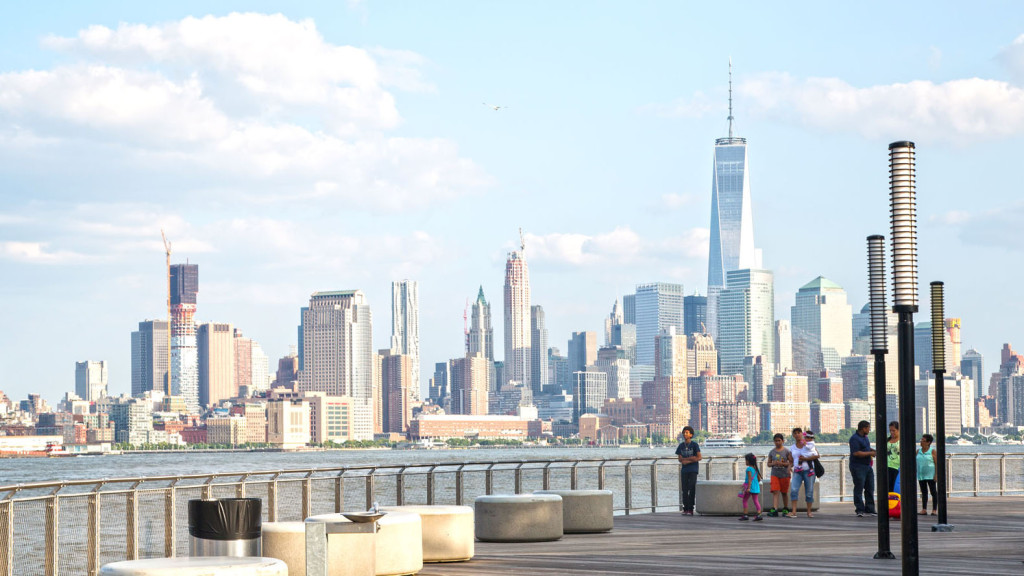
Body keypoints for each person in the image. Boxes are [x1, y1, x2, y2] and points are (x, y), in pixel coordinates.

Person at [849, 420, 878, 517]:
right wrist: (871, 453)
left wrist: (874, 451)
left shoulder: (865, 438)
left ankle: (870, 508)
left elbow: (866, 448)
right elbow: (856, 453)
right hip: (858, 466)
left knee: (870, 487)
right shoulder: (854, 439)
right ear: (863, 428)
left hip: (867, 465)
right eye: (868, 428)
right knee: (859, 487)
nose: (869, 430)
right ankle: (859, 509)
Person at [788, 428, 819, 518]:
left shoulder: (809, 444)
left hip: (808, 470)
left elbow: (817, 455)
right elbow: (791, 459)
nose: (797, 435)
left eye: (799, 433)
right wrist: (790, 466)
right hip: (797, 471)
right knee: (794, 490)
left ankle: (809, 511)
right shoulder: (793, 447)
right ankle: (794, 511)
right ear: (793, 435)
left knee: (809, 491)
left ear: (802, 434)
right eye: (795, 433)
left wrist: (805, 459)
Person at [675, 426, 702, 515]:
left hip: (693, 470)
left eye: (687, 433)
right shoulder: (681, 446)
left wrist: (687, 460)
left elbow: (699, 457)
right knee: (684, 489)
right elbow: (680, 459)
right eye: (684, 432)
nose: (685, 434)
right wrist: (691, 459)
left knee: (692, 488)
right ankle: (685, 508)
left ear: (691, 434)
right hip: (684, 470)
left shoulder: (694, 445)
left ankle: (691, 508)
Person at [765, 433, 793, 517]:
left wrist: (783, 464)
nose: (777, 442)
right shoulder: (772, 452)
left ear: (783, 441)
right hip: (775, 474)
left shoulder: (787, 451)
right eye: (776, 441)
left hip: (785, 474)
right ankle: (775, 508)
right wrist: (773, 463)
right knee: (775, 491)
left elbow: (791, 462)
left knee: (784, 492)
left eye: (779, 440)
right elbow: (768, 464)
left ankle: (785, 508)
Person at [917, 433, 938, 516]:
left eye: (923, 440)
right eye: (921, 440)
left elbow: (937, 464)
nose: (921, 442)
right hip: (921, 475)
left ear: (928, 442)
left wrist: (936, 475)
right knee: (924, 492)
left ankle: (934, 510)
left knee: (933, 492)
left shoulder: (932, 451)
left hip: (930, 475)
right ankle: (924, 509)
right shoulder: (918, 451)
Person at [739, 452, 764, 521]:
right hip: (756, 487)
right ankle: (759, 514)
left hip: (749, 488)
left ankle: (745, 514)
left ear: (748, 461)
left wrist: (749, 487)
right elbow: (759, 479)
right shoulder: (755, 468)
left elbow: (749, 479)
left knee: (744, 500)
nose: (745, 462)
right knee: (756, 501)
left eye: (746, 460)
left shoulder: (749, 469)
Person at [886, 421, 900, 492]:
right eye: (890, 430)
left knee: (896, 487)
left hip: (898, 467)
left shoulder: (902, 441)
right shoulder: (887, 440)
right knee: (889, 487)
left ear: (898, 430)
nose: (892, 432)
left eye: (893, 430)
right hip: (888, 467)